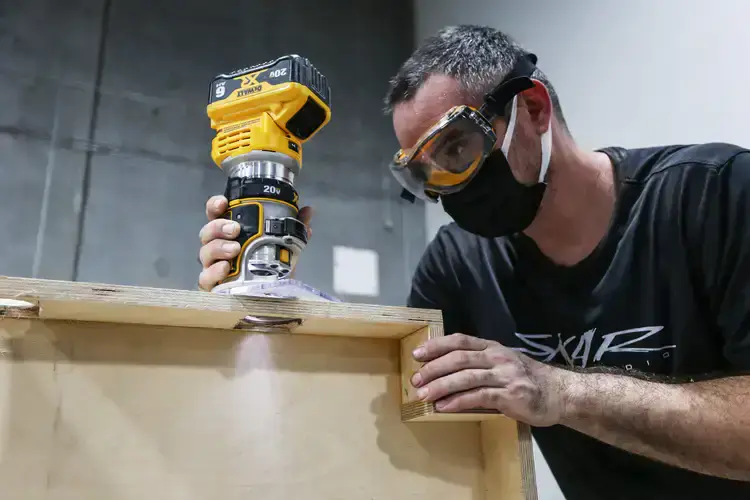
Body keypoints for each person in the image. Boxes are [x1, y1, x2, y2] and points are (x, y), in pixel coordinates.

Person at [198, 25, 750, 499]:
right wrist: (264, 297)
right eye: (424, 173)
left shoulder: (717, 196)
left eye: (456, 149)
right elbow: (406, 411)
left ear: (532, 108)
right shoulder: (459, 266)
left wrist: (559, 392)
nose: (446, 188)